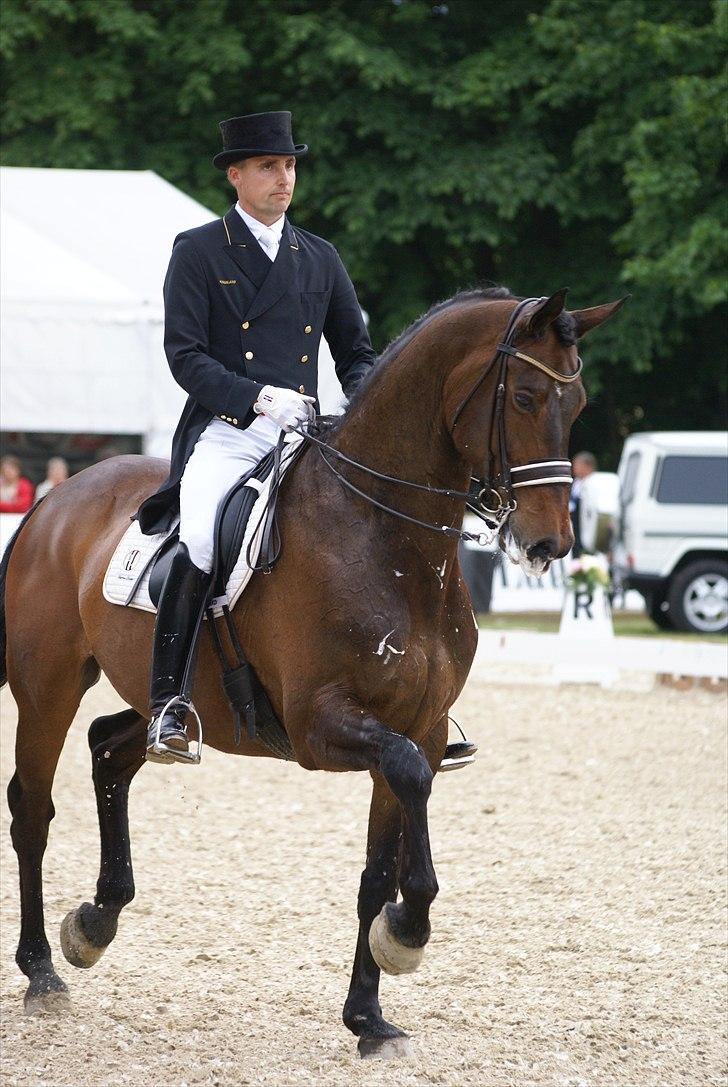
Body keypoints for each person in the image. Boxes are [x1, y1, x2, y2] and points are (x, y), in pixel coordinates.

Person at [135, 110, 376, 765]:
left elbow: (355, 353)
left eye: (291, 165)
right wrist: (257, 397)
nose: (284, 177)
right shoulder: (199, 250)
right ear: (236, 174)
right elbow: (184, 355)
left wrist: (374, 406)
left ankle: (407, 691)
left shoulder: (320, 257)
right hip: (230, 431)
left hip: (306, 436)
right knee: (204, 537)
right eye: (270, 166)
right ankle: (167, 706)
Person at [569, 450, 597, 557]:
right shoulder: (575, 482)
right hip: (573, 523)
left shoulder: (594, 483)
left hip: (586, 523)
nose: (574, 468)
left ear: (587, 466)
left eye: (577, 464)